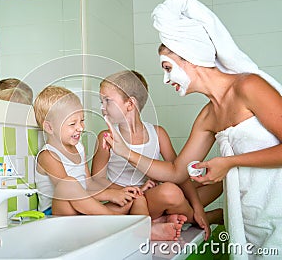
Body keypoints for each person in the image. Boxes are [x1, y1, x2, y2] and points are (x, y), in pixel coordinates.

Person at [103, 0, 282, 255]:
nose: (166, 79)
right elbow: (177, 171)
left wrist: (230, 162)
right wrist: (124, 151)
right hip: (249, 219)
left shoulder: (249, 87)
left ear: (189, 56)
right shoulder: (208, 116)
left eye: (167, 67)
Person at [33, 85, 184, 240]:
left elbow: (89, 184)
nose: (80, 127)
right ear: (49, 127)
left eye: (82, 120)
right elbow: (69, 192)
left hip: (83, 216)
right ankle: (121, 224)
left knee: (135, 198)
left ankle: (145, 228)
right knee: (68, 184)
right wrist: (110, 195)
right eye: (73, 124)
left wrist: (121, 192)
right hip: (58, 215)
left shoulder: (78, 148)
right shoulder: (48, 155)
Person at [91, 70, 217, 235]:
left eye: (107, 101)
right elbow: (97, 180)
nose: (102, 107)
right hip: (128, 202)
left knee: (214, 183)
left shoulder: (157, 134)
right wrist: (128, 190)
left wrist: (198, 206)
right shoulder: (106, 137)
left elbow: (179, 174)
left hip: (151, 197)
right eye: (101, 101)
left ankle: (176, 214)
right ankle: (200, 217)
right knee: (170, 191)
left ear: (130, 104)